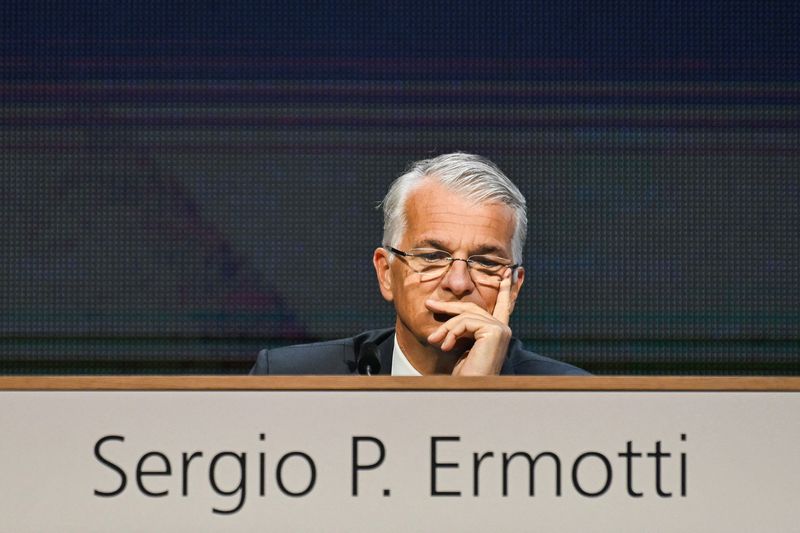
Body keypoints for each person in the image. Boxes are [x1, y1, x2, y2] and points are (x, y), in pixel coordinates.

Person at [251, 153, 587, 375]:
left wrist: (477, 398)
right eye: (432, 257)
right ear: (386, 273)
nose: (458, 283)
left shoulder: (574, 402)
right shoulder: (287, 381)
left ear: (512, 288)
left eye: (485, 262)